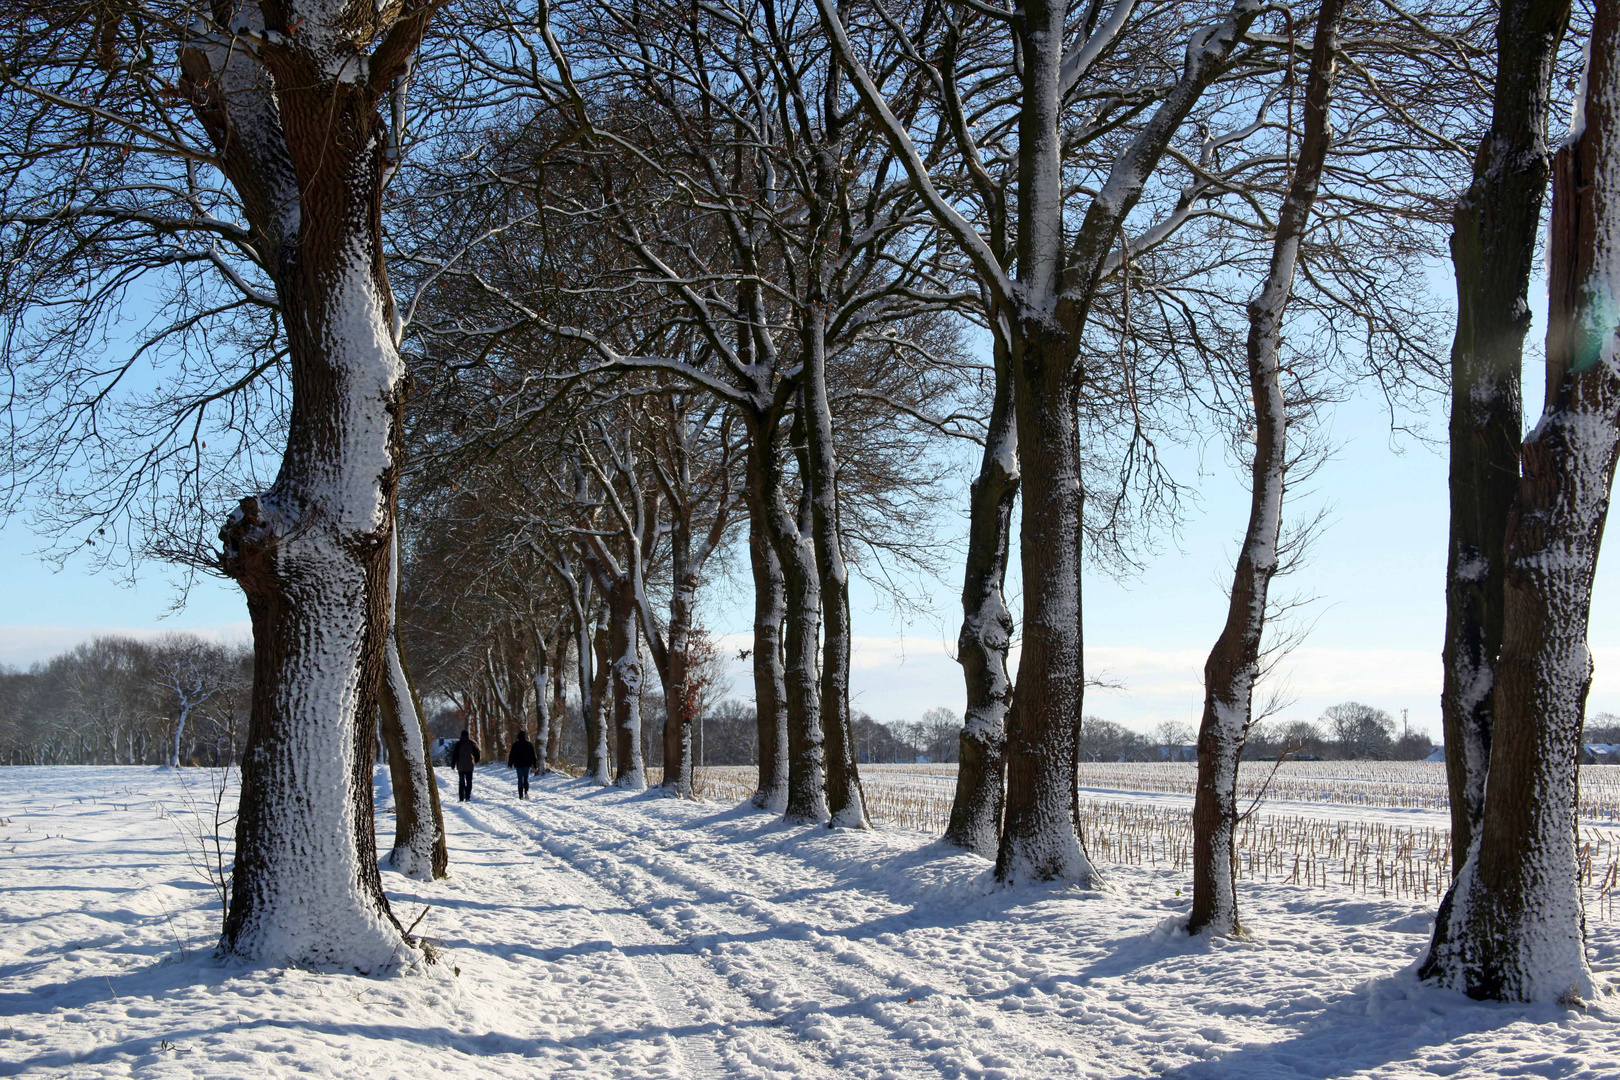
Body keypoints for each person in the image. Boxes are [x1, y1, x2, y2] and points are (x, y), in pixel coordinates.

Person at [452, 728, 481, 801]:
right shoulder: (472, 743)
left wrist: (453, 764)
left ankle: (461, 797)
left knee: (461, 782)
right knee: (469, 781)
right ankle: (467, 796)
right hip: (469, 766)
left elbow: (455, 755)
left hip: (461, 766)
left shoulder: (458, 744)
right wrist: (477, 760)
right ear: (468, 735)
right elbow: (477, 753)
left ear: (461, 736)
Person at [508, 730, 537, 800]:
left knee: (520, 779)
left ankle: (520, 795)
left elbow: (511, 755)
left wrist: (510, 764)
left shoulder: (515, 745)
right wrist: (535, 765)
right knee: (526, 778)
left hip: (518, 765)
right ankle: (526, 792)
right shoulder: (529, 744)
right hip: (527, 764)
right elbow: (533, 755)